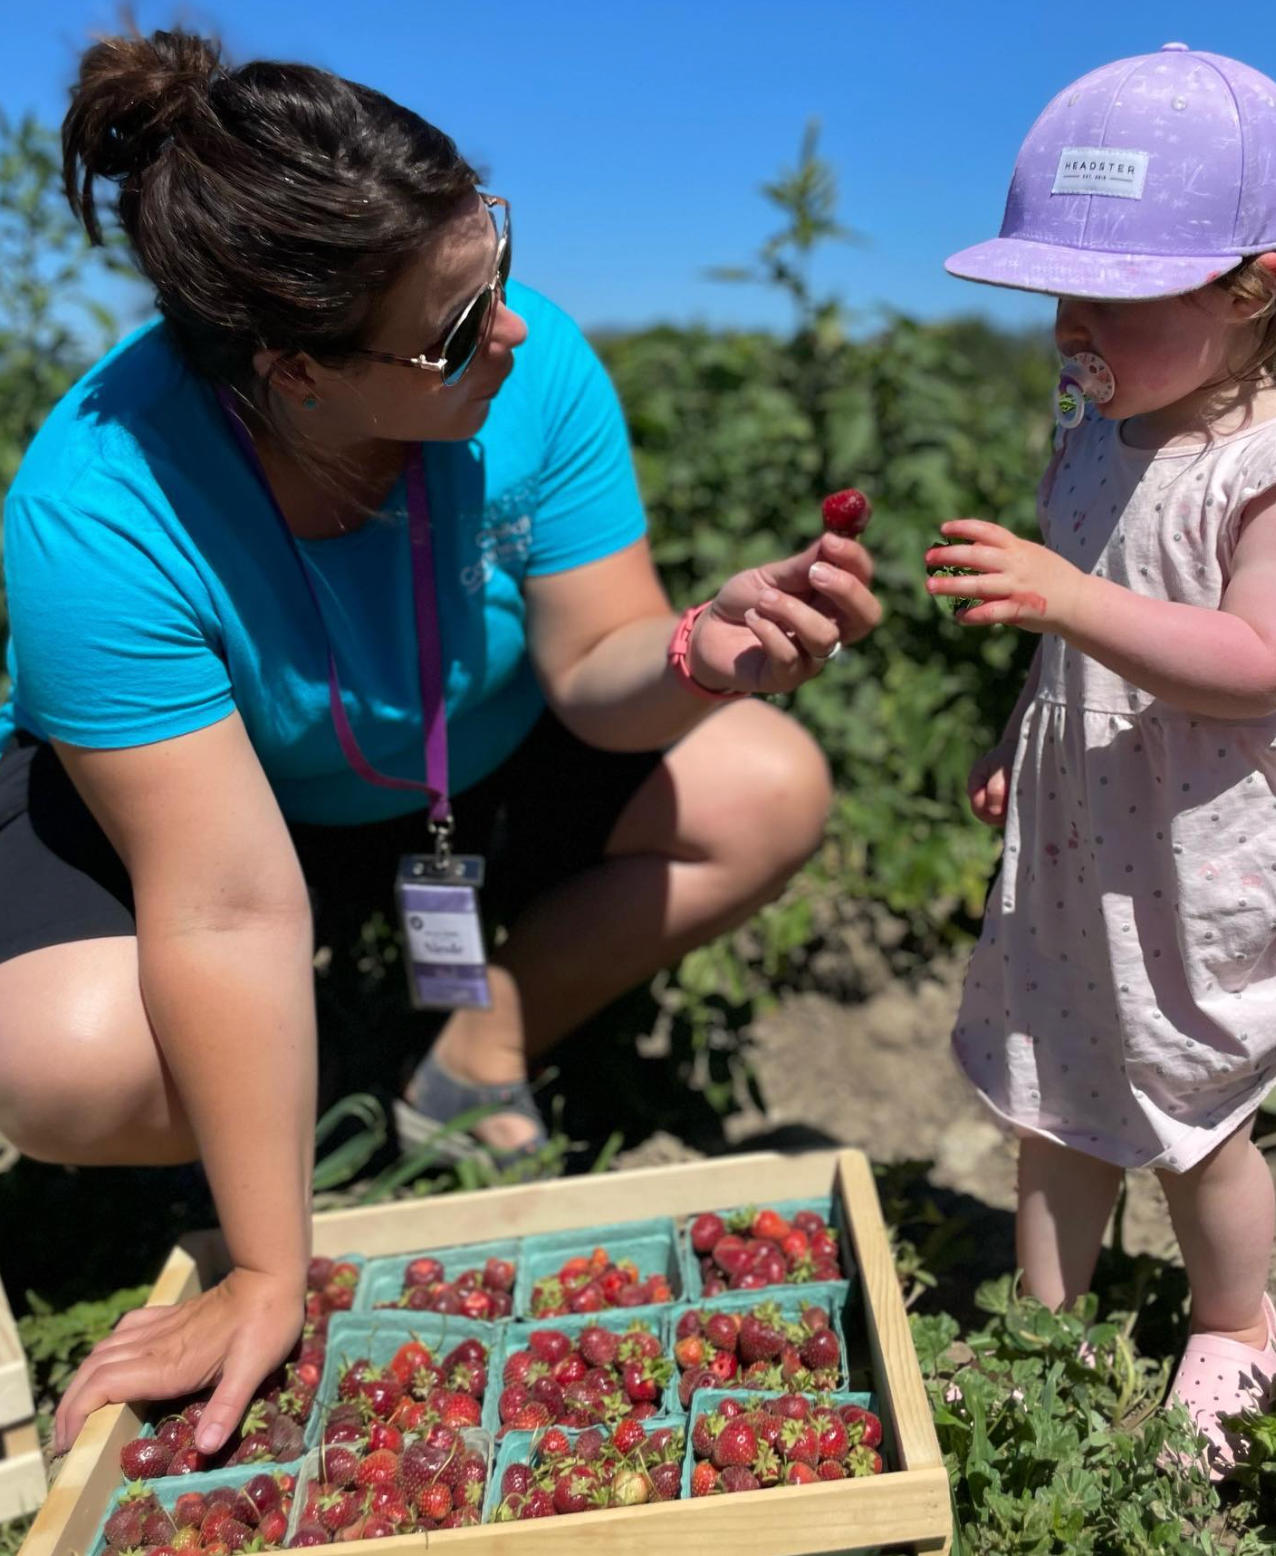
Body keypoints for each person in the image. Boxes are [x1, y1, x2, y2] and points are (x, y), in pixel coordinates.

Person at [0, 27, 881, 1456]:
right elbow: (222, 903)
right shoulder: (98, 512)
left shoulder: (532, 375)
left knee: (763, 784)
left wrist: (693, 654)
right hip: (219, 820)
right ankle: (273, 1110)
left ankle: (475, 1044)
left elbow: (592, 664)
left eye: (500, 266)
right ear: (296, 372)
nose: (512, 332)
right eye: (458, 328)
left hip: (457, 775)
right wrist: (269, 1271)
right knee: (68, 1065)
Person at [930, 42, 1276, 1475]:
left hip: (1195, 845)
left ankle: (1239, 1326)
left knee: (1194, 1109)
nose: (1075, 327)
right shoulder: (1092, 437)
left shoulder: (1258, 466)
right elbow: (1075, 626)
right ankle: (1045, 1333)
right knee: (1054, 1082)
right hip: (1082, 824)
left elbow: (1258, 661)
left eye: (1117, 299)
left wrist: (1067, 601)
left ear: (1251, 288)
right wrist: (1026, 730)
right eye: (1059, 296)